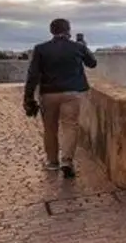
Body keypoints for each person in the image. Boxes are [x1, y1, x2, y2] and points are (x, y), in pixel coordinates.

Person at [24, 19, 97, 178]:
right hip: (72, 93)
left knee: (50, 128)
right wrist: (84, 47)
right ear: (68, 30)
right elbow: (92, 63)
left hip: (48, 94)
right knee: (70, 126)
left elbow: (33, 75)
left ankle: (52, 162)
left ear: (52, 31)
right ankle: (67, 161)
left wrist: (28, 97)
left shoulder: (41, 49)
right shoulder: (77, 47)